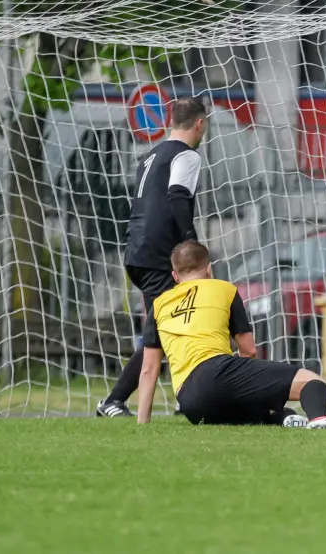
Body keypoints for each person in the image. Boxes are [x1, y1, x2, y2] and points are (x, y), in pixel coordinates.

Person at [136, 240, 326, 429]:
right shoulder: (224, 289)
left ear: (175, 276)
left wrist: (143, 424)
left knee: (261, 413)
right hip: (217, 370)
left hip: (190, 403)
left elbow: (149, 369)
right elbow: (248, 349)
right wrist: (248, 387)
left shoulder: (159, 304)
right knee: (313, 382)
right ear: (209, 268)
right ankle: (319, 419)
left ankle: (284, 418)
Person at [98, 96, 208, 418]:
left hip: (137, 250)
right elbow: (177, 197)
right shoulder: (187, 155)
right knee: (171, 326)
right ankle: (117, 400)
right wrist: (193, 247)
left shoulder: (150, 155)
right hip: (159, 254)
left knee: (167, 325)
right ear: (199, 124)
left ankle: (172, 397)